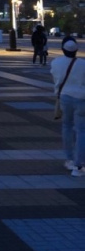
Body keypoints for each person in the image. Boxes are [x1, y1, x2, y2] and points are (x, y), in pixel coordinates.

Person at [50, 37, 85, 177]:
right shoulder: (83, 64)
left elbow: (56, 79)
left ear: (62, 49)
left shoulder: (56, 62)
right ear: (76, 50)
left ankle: (69, 159)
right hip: (81, 98)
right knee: (82, 130)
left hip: (64, 97)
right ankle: (79, 164)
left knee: (67, 126)